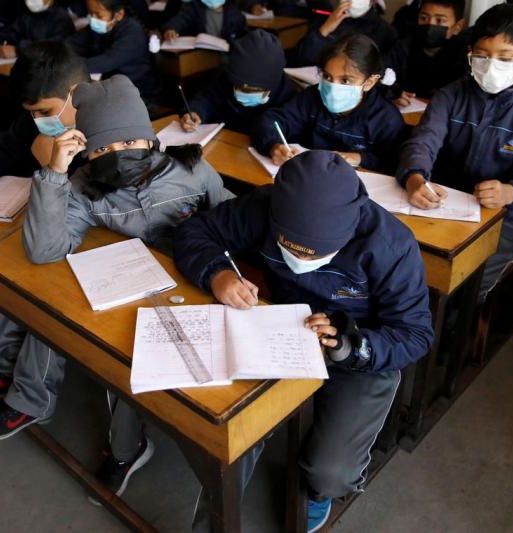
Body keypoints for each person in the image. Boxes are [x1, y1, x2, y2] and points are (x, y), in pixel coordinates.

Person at [0, 75, 233, 446]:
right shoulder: (84, 187)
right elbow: (44, 250)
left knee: (137, 360)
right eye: (103, 148)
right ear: (86, 151)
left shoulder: (191, 170)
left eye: (130, 142)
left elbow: (231, 219)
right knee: (56, 304)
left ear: (150, 140)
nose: (118, 154)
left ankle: (126, 447)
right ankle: (30, 399)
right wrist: (55, 173)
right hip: (128, 280)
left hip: (192, 277)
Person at [173, 150, 434, 533]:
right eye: (288, 246)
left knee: (330, 472)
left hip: (359, 348)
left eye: (314, 254)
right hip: (280, 329)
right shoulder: (264, 206)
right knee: (234, 423)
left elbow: (414, 334)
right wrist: (218, 274)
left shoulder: (390, 245)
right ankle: (220, 506)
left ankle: (318, 492)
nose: (298, 258)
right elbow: (194, 232)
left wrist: (353, 347)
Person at [397, 3, 513, 300]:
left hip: (500, 218)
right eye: (482, 56)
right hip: (441, 204)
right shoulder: (449, 95)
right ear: (470, 53)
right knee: (403, 267)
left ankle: (453, 325)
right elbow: (423, 142)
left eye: (505, 58)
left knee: (466, 284)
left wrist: (509, 192)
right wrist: (415, 177)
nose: (491, 65)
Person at [0, 41, 90, 206]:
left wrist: (53, 169)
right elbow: (3, 151)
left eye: (45, 111)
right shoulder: (31, 121)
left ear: (77, 93)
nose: (37, 120)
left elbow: (92, 203)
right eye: (31, 112)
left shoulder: (107, 135)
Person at [253, 34, 407, 174]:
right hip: (307, 177)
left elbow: (394, 162)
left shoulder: (386, 119)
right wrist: (273, 146)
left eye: (345, 80)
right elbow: (270, 121)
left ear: (369, 82)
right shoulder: (311, 98)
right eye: (327, 77)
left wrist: (360, 158)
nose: (333, 87)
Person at [179, 29, 297, 134]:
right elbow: (209, 98)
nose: (242, 93)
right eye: (239, 86)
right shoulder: (227, 79)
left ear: (271, 85)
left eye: (252, 90)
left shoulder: (287, 97)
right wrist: (196, 111)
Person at [65, 0, 159, 100]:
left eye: (98, 15)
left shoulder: (133, 32)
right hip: (111, 87)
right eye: (90, 13)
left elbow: (107, 61)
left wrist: (70, 66)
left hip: (139, 93)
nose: (93, 19)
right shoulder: (101, 26)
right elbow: (72, 44)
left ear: (119, 14)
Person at [385, 0, 469, 106]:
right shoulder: (402, 47)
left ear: (458, 27)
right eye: (424, 18)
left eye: (439, 20)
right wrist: (393, 93)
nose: (430, 24)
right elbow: (382, 75)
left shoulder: (464, 56)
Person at [292, 0, 397, 66]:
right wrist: (324, 30)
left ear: (373, 1)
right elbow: (300, 59)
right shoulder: (327, 20)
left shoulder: (386, 32)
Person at [0, 0, 75, 59]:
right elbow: (12, 32)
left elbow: (53, 48)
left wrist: (18, 51)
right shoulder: (27, 14)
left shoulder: (62, 19)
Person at [162, 0, 247, 42]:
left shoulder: (233, 11)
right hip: (200, 56)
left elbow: (242, 35)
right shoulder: (195, 6)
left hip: (226, 57)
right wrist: (172, 29)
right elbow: (182, 19)